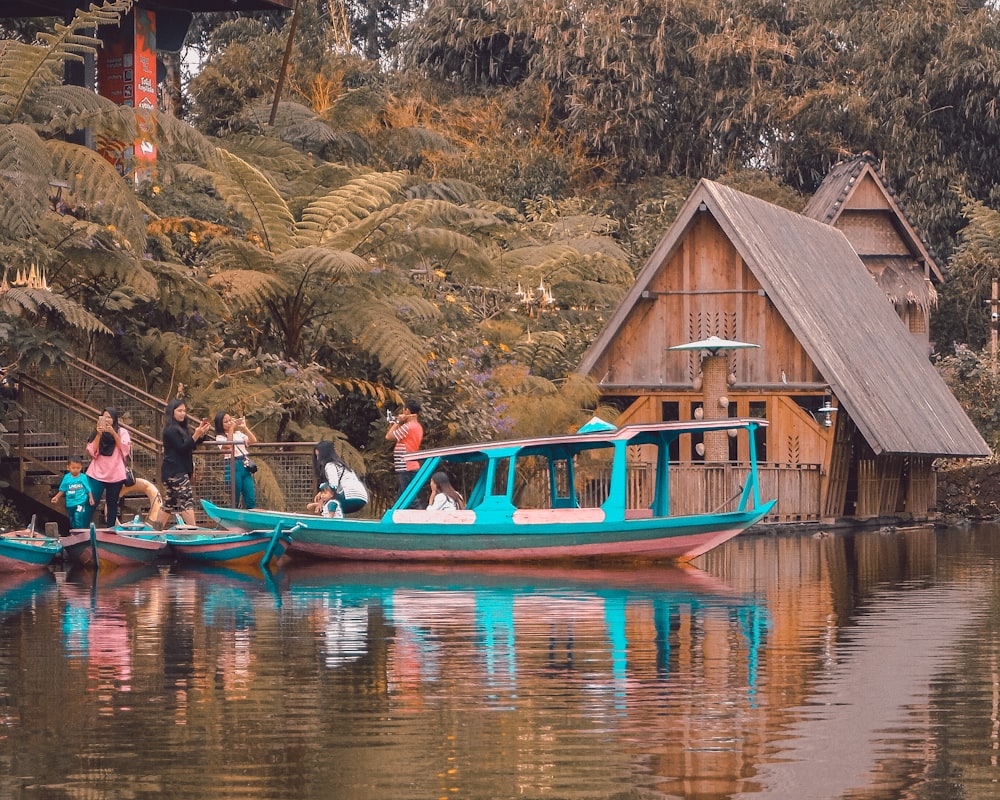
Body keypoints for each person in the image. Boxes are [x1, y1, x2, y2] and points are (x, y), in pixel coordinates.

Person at [161, 398, 212, 526]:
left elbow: (191, 444)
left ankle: (155, 529)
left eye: (184, 411)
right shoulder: (170, 430)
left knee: (169, 502)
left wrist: (201, 433)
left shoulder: (182, 428)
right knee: (186, 500)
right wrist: (195, 435)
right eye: (179, 411)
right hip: (175, 471)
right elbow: (182, 447)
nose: (182, 413)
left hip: (178, 470)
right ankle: (193, 532)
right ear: (172, 412)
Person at [85, 407, 131, 527]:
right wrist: (99, 434)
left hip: (115, 474)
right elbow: (92, 451)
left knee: (112, 505)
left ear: (115, 419)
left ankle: (110, 530)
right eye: (104, 417)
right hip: (97, 473)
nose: (107, 419)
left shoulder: (122, 432)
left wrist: (113, 433)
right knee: (91, 502)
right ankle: (82, 528)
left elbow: (125, 449)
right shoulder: (97, 431)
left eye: (109, 417)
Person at [214, 411, 257, 509]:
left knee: (250, 495)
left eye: (230, 420)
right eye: (226, 422)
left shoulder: (238, 433)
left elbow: (253, 440)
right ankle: (234, 516)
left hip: (244, 465)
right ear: (220, 424)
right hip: (232, 465)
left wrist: (244, 427)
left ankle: (251, 515)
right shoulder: (220, 437)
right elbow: (229, 445)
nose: (229, 423)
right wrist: (231, 429)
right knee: (235, 496)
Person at [312, 440, 368, 514]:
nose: (318, 459)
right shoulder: (341, 465)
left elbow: (333, 485)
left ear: (325, 455)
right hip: (362, 497)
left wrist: (322, 500)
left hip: (350, 495)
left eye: (319, 456)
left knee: (329, 507)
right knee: (330, 507)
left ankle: (328, 523)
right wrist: (322, 493)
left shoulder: (330, 465)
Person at [385, 399, 424, 503]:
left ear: (407, 411)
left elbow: (389, 436)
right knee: (402, 497)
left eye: (404, 410)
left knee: (409, 498)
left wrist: (398, 421)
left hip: (406, 466)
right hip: (409, 466)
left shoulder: (408, 427)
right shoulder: (418, 427)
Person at [51, 455, 95, 529]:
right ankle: (75, 532)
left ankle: (80, 532)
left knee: (78, 516)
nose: (75, 470)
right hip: (70, 503)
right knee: (72, 519)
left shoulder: (83, 477)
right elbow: (63, 489)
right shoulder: (66, 478)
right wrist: (57, 497)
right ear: (68, 467)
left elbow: (88, 488)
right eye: (73, 468)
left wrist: (91, 497)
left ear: (81, 467)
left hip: (81, 502)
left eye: (78, 468)